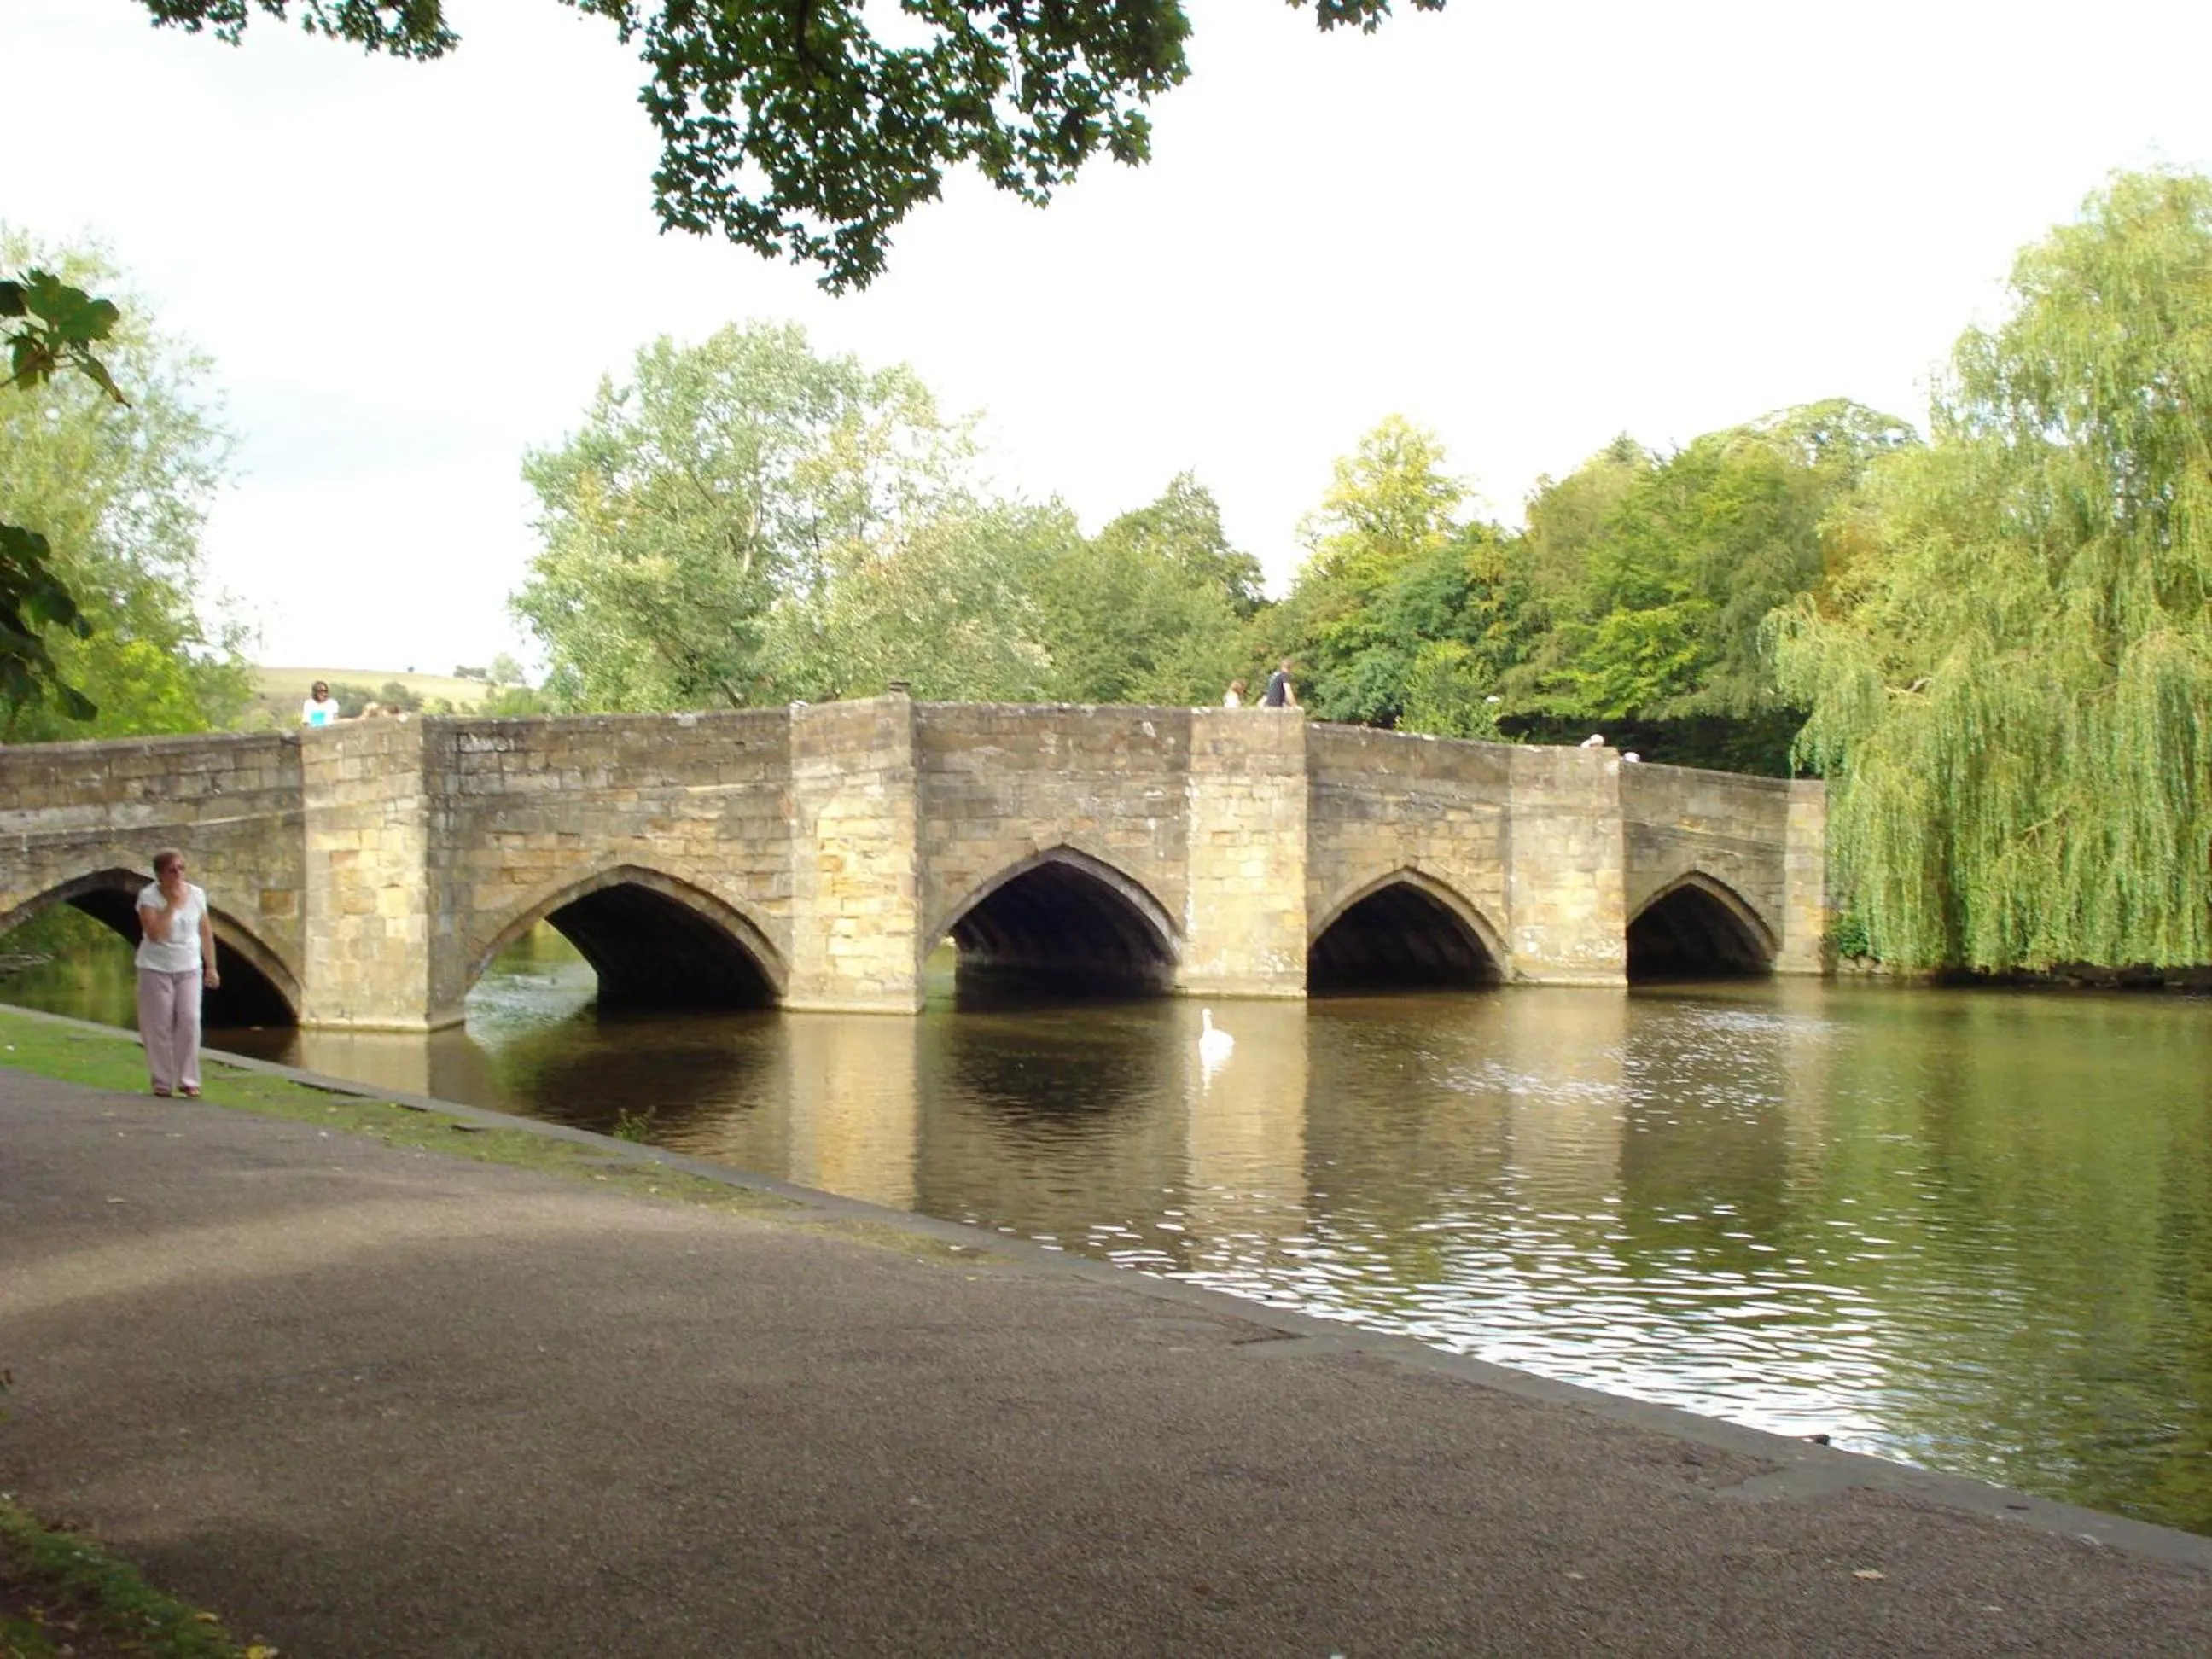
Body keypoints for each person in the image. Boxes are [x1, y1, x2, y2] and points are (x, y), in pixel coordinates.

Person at [136, 848, 219, 1098]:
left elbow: (205, 931)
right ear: (160, 874)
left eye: (182, 868)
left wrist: (211, 966)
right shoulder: (148, 897)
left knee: (190, 1020)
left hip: (189, 965)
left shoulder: (196, 894)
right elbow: (155, 934)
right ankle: (162, 1081)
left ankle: (188, 1079)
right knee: (158, 1025)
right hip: (156, 966)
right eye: (172, 870)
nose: (178, 875)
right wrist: (171, 905)